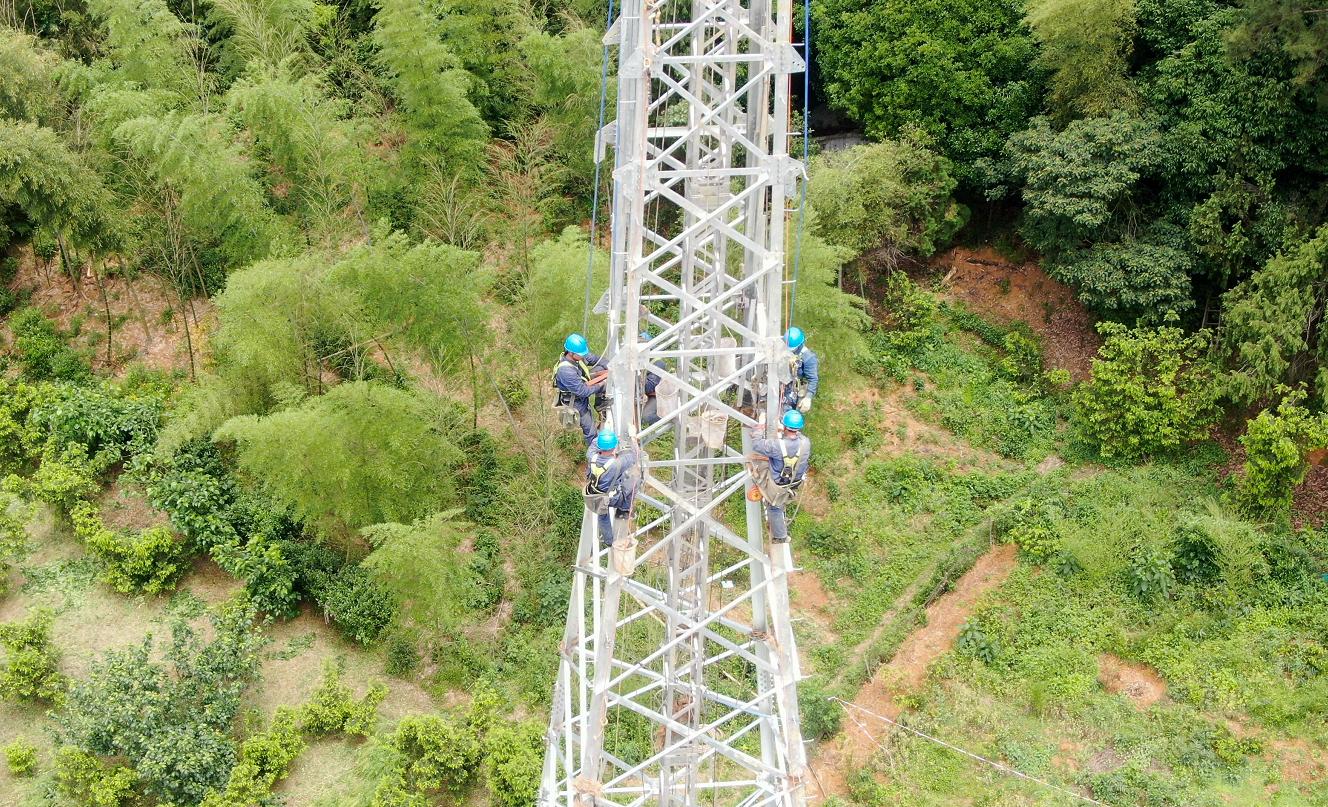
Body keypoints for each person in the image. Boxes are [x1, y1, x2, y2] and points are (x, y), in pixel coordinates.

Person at [750, 410, 811, 544]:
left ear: (784, 427)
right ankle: (780, 503)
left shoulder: (777, 446)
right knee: (780, 496)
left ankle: (781, 536)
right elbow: (796, 440)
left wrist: (760, 425)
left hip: (778, 484)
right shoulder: (806, 443)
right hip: (795, 482)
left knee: (774, 506)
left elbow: (756, 444)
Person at [584, 429, 640, 548]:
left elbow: (594, 444)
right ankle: (624, 509)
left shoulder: (591, 456)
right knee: (636, 480)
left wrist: (604, 436)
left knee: (602, 515)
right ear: (614, 448)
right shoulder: (617, 463)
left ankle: (609, 541)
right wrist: (633, 439)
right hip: (614, 498)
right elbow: (635, 455)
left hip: (597, 496)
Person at [554, 333, 608, 444]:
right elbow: (583, 392)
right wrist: (601, 384)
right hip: (575, 403)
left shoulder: (578, 356)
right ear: (571, 353)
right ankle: (595, 451)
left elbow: (595, 359)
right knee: (590, 431)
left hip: (581, 384)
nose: (584, 356)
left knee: (601, 366)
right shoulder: (566, 371)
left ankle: (601, 406)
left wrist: (610, 366)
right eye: (581, 354)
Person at [781, 326, 819, 414]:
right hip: (781, 384)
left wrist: (808, 397)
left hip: (794, 389)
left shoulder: (808, 358)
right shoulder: (783, 348)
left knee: (789, 414)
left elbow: (813, 379)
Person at [639, 331, 662, 427]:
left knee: (646, 416)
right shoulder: (644, 360)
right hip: (648, 393)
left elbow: (649, 387)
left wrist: (636, 375)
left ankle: (665, 418)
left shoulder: (657, 363)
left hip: (658, 396)